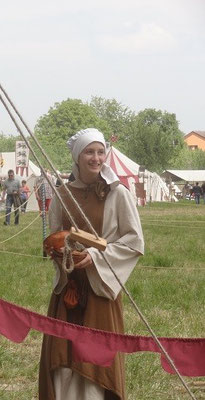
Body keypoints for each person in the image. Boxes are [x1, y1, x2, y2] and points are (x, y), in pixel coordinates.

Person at [38, 128, 144, 400]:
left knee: (95, 357)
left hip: (100, 288)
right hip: (69, 289)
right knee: (63, 355)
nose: (96, 158)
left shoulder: (117, 193)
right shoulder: (62, 194)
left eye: (100, 152)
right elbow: (54, 236)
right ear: (77, 156)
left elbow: (134, 242)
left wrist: (95, 258)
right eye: (89, 152)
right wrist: (62, 253)